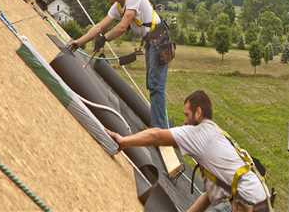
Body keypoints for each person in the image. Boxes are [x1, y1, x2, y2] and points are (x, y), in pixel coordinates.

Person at [107, 90, 271, 212]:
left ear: (198, 112)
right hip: (259, 199)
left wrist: (123, 141)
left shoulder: (197, 133)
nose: (184, 122)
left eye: (187, 115)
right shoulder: (215, 135)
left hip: (248, 201)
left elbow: (156, 135)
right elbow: (209, 195)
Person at [68, 0, 173, 129]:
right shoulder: (117, 7)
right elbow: (99, 26)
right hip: (152, 42)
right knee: (152, 85)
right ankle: (159, 125)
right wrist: (79, 42)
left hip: (160, 39)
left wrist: (104, 38)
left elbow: (123, 26)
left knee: (156, 84)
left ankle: (161, 129)